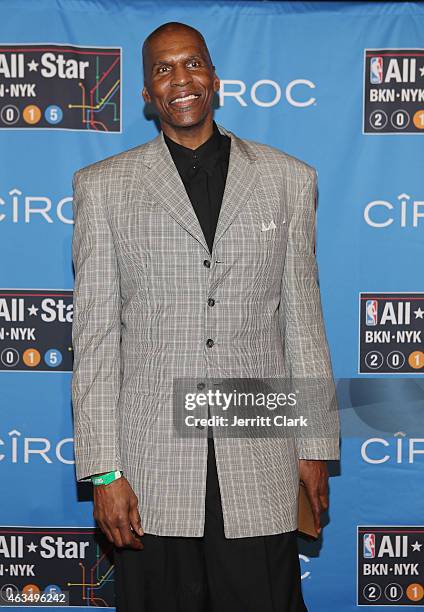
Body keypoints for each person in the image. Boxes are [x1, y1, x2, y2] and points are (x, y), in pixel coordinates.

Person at [71, 21, 340, 612]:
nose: (179, 80)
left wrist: (315, 446)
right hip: (150, 462)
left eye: (191, 63)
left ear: (214, 78)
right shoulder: (104, 188)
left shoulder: (288, 180)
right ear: (145, 93)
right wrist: (102, 472)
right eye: (162, 70)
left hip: (258, 449)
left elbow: (303, 321)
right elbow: (94, 339)